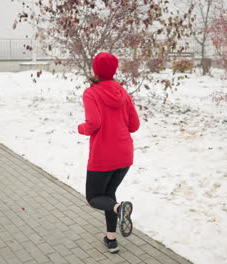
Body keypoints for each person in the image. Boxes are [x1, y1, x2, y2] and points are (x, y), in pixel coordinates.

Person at [78, 52, 140, 253]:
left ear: (95, 69)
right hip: (124, 155)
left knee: (94, 197)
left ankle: (119, 209)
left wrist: (81, 128)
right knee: (109, 195)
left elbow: (93, 124)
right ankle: (111, 239)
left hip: (103, 156)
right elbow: (134, 125)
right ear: (114, 70)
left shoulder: (91, 92)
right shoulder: (122, 92)